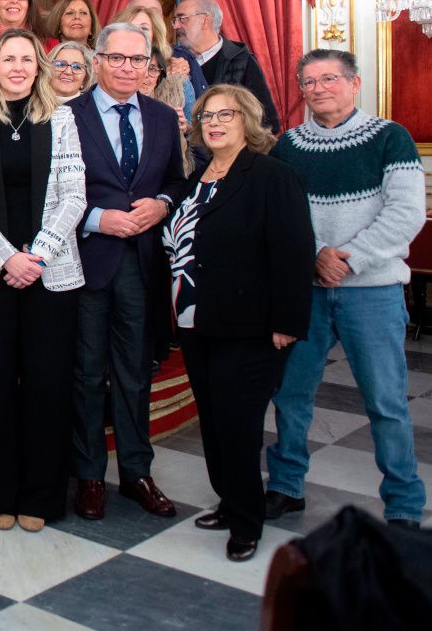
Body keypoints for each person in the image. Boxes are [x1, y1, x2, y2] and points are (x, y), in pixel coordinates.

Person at [266, 50, 428, 529]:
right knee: (292, 394)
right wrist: (315, 253)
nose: (318, 88)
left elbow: (405, 214)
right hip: (306, 291)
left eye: (329, 79)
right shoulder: (288, 146)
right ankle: (285, 486)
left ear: (354, 84)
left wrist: (347, 257)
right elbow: (282, 215)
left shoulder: (390, 137)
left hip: (372, 290)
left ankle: (402, 503)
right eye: (309, 82)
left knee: (386, 401)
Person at [162, 84, 314, 561]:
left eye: (226, 114)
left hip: (250, 326)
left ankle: (247, 520)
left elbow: (293, 254)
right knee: (212, 419)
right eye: (207, 115)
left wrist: (287, 323)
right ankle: (228, 501)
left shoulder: (273, 176)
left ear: (248, 120)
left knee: (239, 424)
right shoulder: (195, 179)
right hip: (195, 322)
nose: (215, 122)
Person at [0, 29, 87, 531]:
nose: (17, 67)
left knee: (47, 386)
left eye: (26, 59)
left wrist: (40, 254)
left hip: (52, 275)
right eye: (8, 58)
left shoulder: (63, 119)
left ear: (39, 67)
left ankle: (42, 498)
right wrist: (10, 257)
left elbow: (75, 194)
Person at [68, 22, 188, 522]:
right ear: (97, 62)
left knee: (135, 374)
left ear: (148, 68)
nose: (125, 68)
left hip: (141, 265)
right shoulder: (65, 116)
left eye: (136, 61)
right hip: (86, 263)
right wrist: (96, 217)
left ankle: (137, 472)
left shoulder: (162, 117)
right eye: (116, 58)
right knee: (87, 374)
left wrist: (161, 205)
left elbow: (177, 184)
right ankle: (90, 475)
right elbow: (47, 194)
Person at [173, 0, 280, 133]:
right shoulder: (172, 60)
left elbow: (267, 123)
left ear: (205, 20)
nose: (176, 26)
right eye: (175, 20)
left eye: (182, 19)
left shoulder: (242, 61)